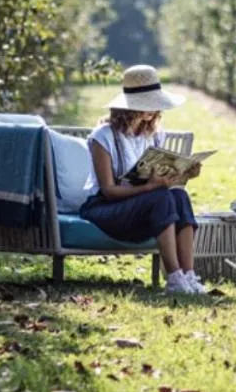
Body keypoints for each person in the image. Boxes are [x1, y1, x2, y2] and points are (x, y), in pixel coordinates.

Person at [80, 65, 205, 294]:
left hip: (142, 207)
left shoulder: (153, 135)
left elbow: (161, 181)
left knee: (179, 195)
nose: (152, 109)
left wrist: (183, 173)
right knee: (160, 197)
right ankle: (174, 278)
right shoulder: (103, 137)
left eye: (154, 103)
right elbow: (108, 190)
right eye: (145, 103)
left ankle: (189, 275)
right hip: (104, 208)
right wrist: (150, 187)